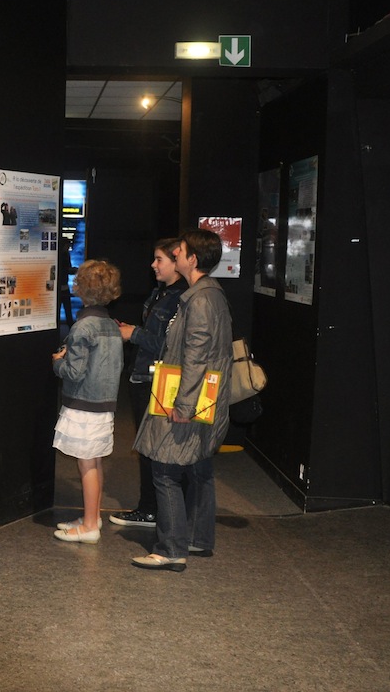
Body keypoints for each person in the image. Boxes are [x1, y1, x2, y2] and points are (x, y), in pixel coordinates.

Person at [131, 228, 233, 572]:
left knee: (164, 470)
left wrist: (183, 406)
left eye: (180, 252)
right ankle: (198, 538)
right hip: (205, 397)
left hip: (190, 399)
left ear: (193, 259)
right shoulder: (209, 294)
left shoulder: (199, 300)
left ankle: (171, 548)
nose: (175, 255)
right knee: (199, 467)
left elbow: (196, 357)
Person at [110, 237, 186, 529]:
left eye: (159, 260)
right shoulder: (161, 293)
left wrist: (134, 335)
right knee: (147, 447)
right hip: (143, 375)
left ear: (177, 263)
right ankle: (151, 508)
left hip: (158, 381)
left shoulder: (182, 299)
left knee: (154, 448)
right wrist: (134, 331)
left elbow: (171, 344)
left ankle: (152, 510)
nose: (153, 265)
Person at [50, 259, 123, 544]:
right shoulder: (111, 326)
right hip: (104, 404)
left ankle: (90, 526)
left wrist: (58, 362)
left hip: (84, 405)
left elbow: (74, 372)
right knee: (95, 461)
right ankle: (93, 516)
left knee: (86, 464)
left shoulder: (83, 327)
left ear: (80, 288)